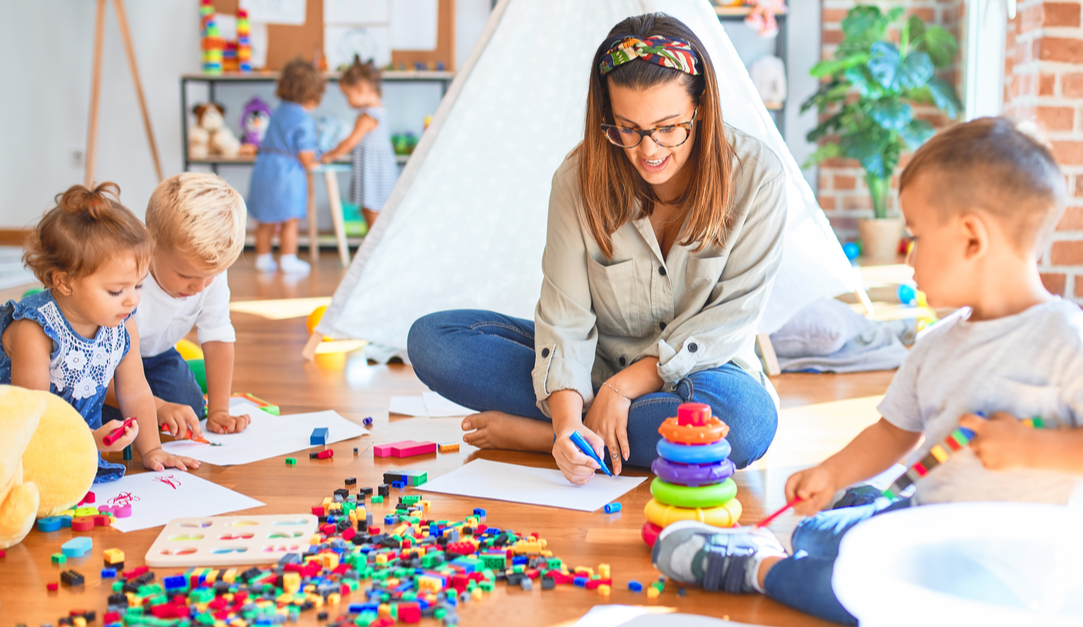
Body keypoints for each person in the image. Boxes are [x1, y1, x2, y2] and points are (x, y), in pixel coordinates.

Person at [652, 117, 1083, 625]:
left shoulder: (1066, 341)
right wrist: (831, 473)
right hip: (922, 521)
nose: (911, 261)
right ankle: (851, 513)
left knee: (851, 594)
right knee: (813, 532)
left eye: (916, 237)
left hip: (1004, 572)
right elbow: (894, 431)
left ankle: (758, 568)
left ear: (971, 238)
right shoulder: (938, 344)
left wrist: (1037, 449)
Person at [407, 13, 785, 484]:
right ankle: (583, 437)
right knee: (433, 342)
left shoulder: (757, 177)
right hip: (595, 366)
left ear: (702, 107)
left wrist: (623, 390)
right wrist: (567, 422)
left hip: (700, 374)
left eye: (668, 128)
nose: (648, 151)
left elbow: (728, 320)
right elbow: (564, 318)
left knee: (744, 423)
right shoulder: (577, 179)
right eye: (626, 128)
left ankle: (539, 435)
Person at [0, 183, 200, 481]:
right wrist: (88, 439)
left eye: (138, 285)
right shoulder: (35, 330)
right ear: (64, 282)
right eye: (117, 290)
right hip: (6, 431)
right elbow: (33, 411)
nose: (133, 299)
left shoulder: (124, 323)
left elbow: (136, 390)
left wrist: (152, 451)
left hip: (73, 438)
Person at [100, 173, 252, 437]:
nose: (200, 287)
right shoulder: (125, 275)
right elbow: (92, 368)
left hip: (156, 355)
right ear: (150, 245)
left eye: (210, 276)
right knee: (104, 413)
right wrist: (154, 407)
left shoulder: (205, 273)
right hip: (104, 363)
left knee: (190, 407)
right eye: (185, 276)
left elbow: (217, 336)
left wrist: (219, 411)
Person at [248, 59, 325, 274]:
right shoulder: (303, 119)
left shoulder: (278, 112)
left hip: (264, 168)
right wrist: (316, 161)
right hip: (286, 173)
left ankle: (263, 259)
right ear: (312, 93)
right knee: (289, 220)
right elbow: (306, 157)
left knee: (264, 219)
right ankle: (288, 259)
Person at [320, 56, 399, 230]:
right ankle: (373, 248)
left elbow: (350, 142)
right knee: (374, 212)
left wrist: (330, 155)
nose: (347, 101)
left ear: (362, 88)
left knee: (371, 212)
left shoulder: (367, 116)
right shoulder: (378, 111)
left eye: (348, 95)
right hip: (377, 171)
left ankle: (374, 250)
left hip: (374, 174)